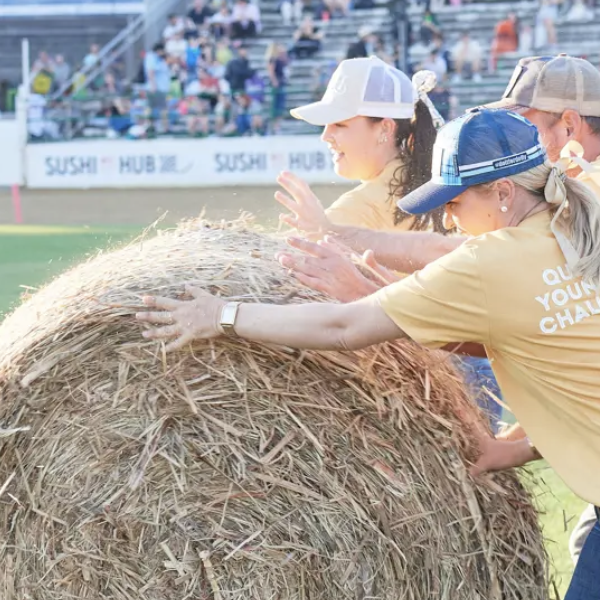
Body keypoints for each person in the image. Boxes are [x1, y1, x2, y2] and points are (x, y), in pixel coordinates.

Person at [136, 109, 600, 600]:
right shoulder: (578, 227)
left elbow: (344, 326)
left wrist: (221, 315)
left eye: (456, 201)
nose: (448, 218)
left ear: (504, 194)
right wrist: (517, 448)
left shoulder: (489, 260)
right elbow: (569, 367)